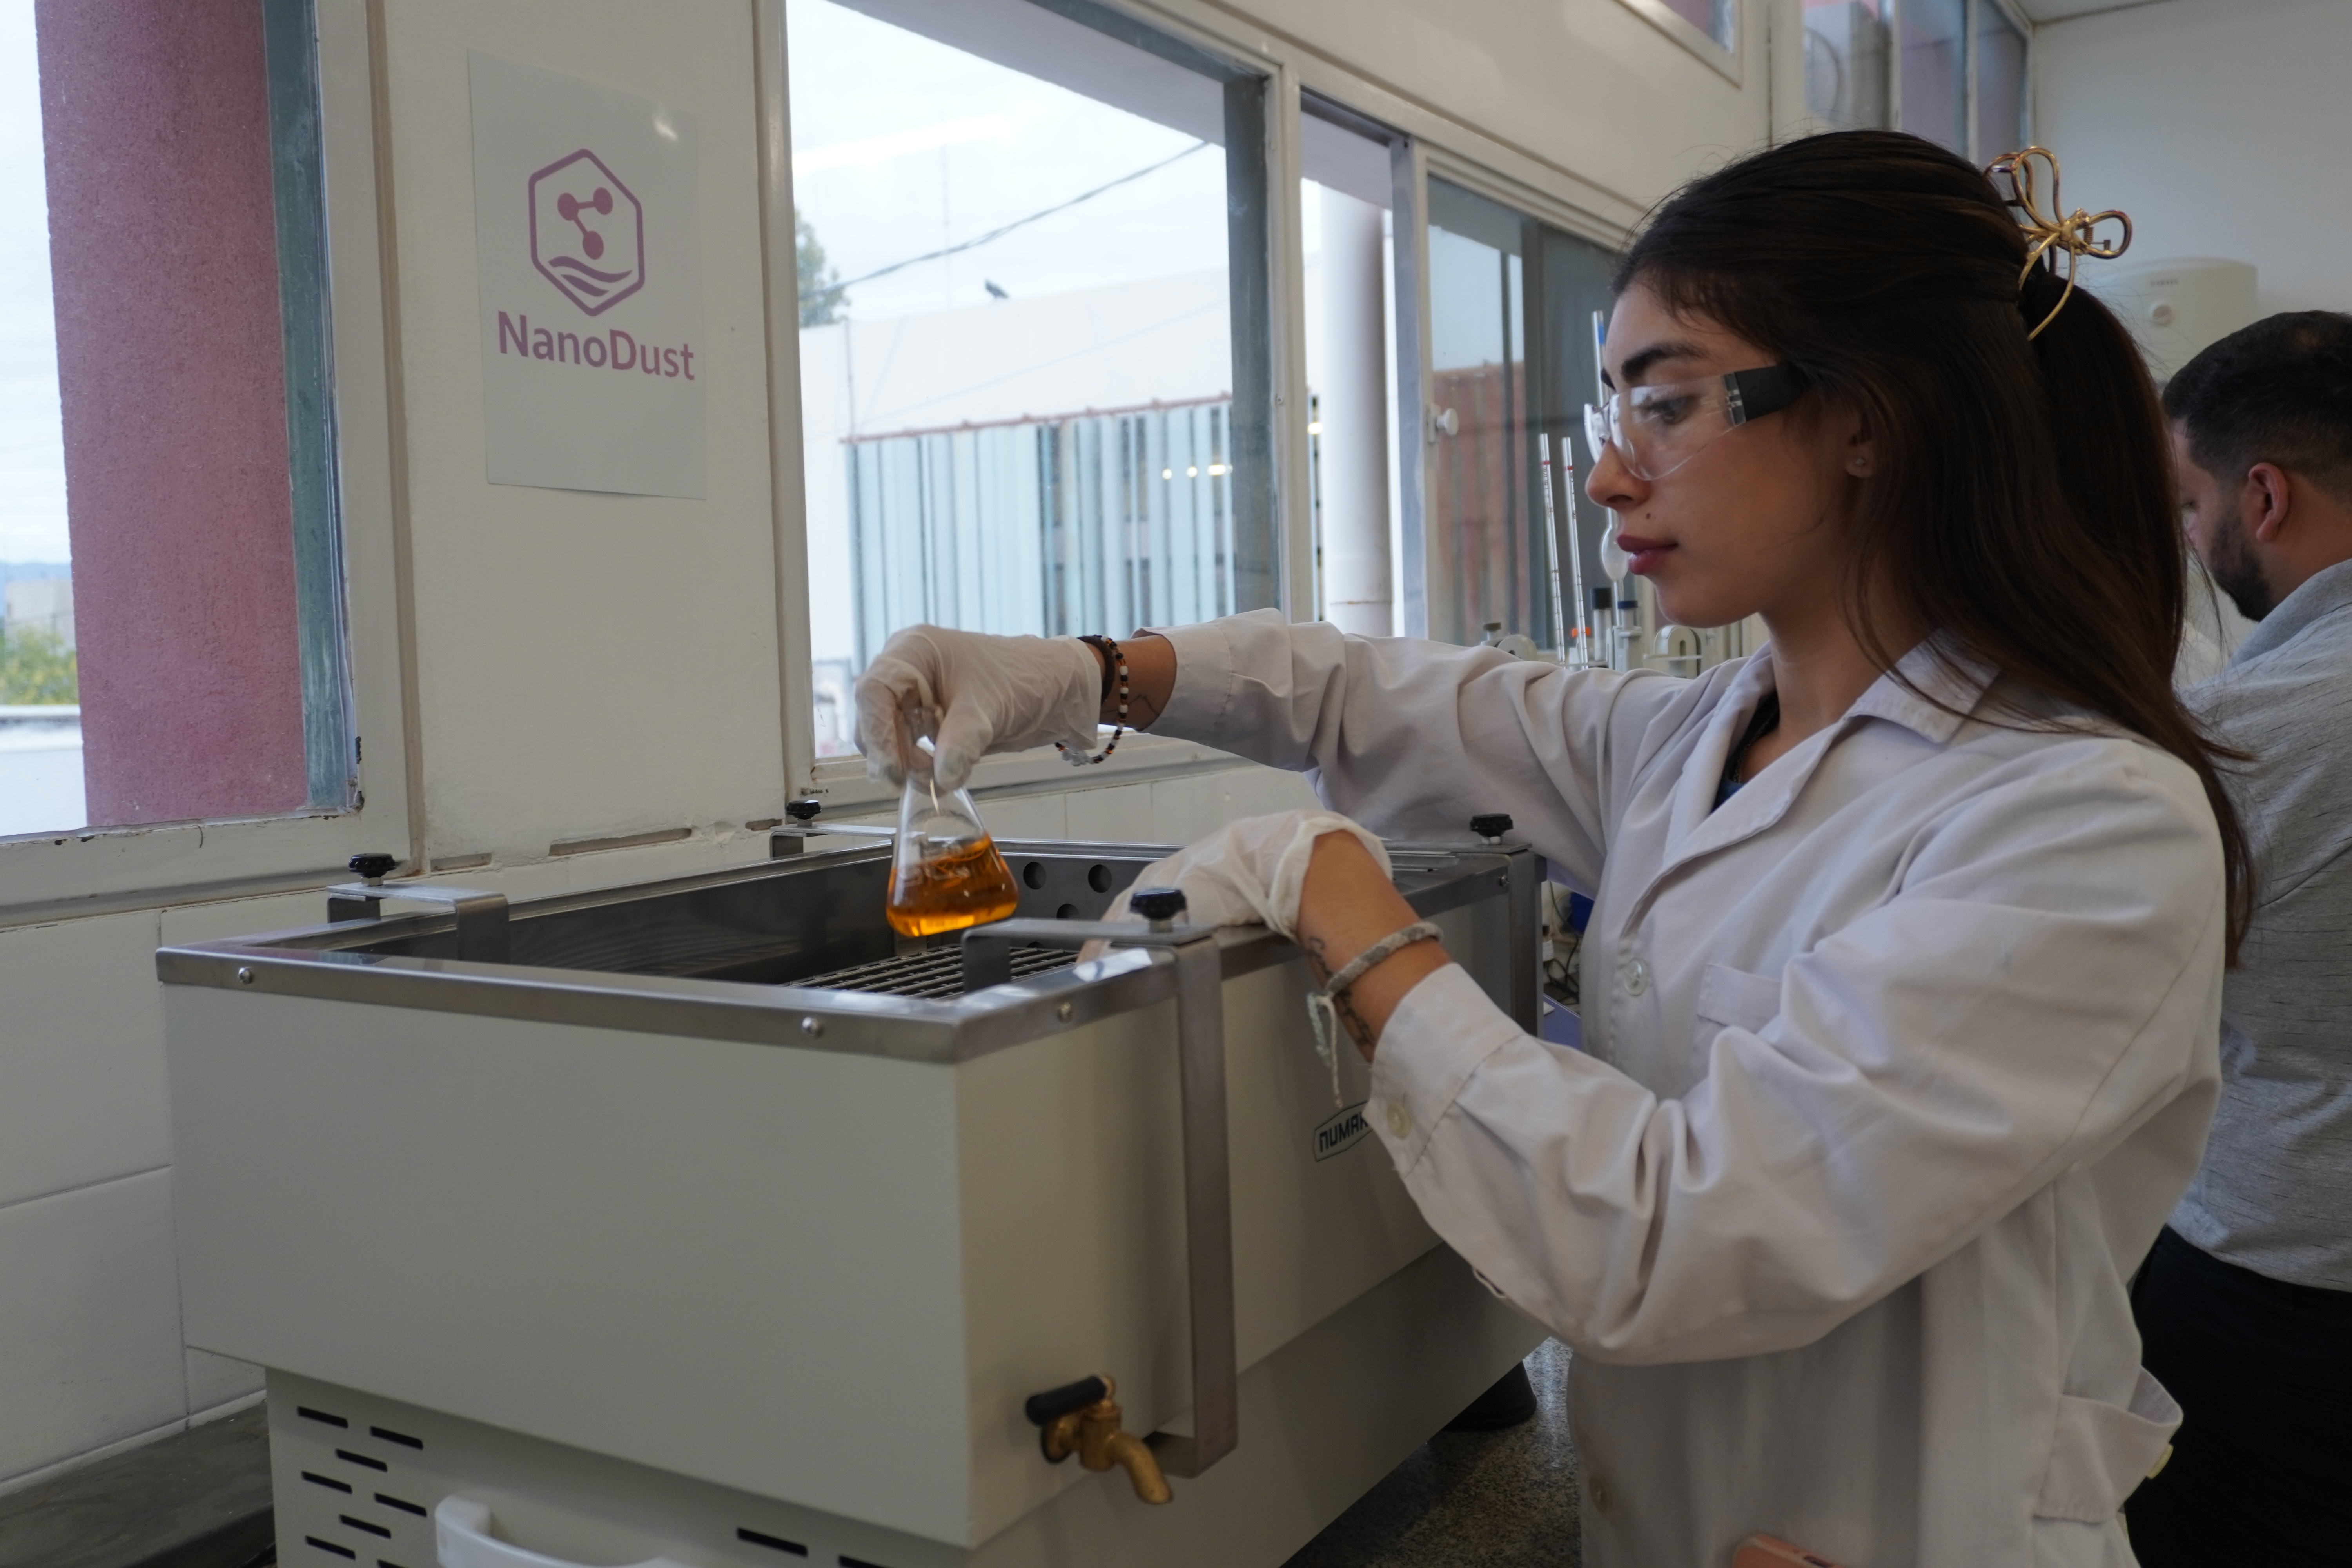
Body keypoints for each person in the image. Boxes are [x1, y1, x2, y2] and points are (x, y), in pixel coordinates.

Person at [857, 132, 2247, 1568]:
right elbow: (1353, 690)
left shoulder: (2078, 819)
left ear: (1870, 418)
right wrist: (1080, 673)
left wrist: (1351, 916)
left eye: (1667, 404)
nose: (1608, 477)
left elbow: (1672, 1234)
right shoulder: (1698, 734)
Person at [2122, 313, 2352, 1568]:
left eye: (2190, 502)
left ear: (2263, 495)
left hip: (2286, 1295)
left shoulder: (2242, 736)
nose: (2189, 539)